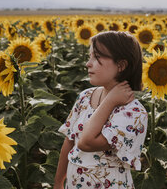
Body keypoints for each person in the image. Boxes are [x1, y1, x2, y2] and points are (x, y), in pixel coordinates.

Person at [54, 31, 148, 189]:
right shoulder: (85, 97)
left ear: (121, 65)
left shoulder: (134, 113)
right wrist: (58, 183)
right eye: (89, 57)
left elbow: (86, 142)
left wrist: (110, 100)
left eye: (97, 57)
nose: (88, 63)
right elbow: (69, 141)